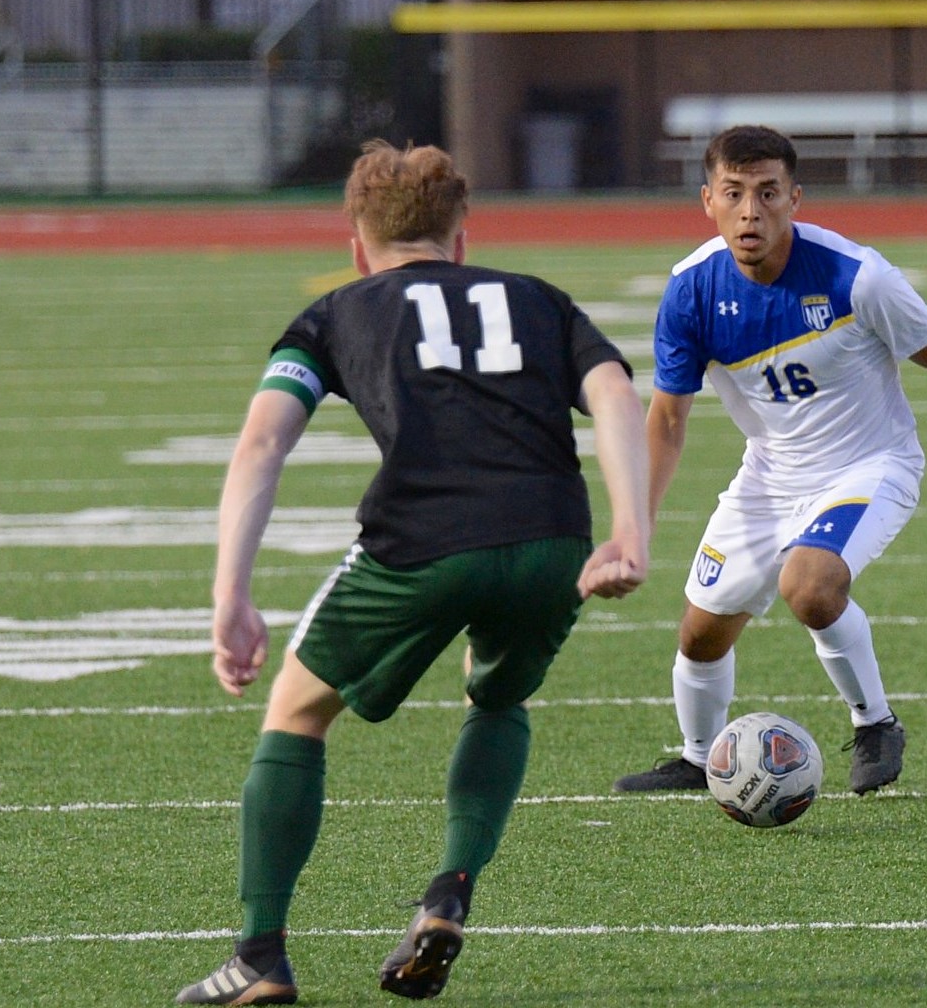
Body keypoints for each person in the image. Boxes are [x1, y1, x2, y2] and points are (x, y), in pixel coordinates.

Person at [177, 140, 649, 1005]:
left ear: (356, 247)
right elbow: (617, 392)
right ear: (460, 239)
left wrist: (229, 594)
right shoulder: (537, 299)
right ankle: (448, 892)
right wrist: (628, 532)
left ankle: (260, 956)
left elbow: (262, 443)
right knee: (497, 698)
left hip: (422, 537)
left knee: (297, 711)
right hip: (553, 537)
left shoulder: (334, 311)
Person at [613, 124, 927, 797]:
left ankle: (875, 723)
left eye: (767, 193)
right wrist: (639, 521)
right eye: (733, 193)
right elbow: (666, 418)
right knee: (700, 633)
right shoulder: (691, 290)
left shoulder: (857, 277)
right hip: (769, 475)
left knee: (808, 588)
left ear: (794, 199)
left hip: (871, 466)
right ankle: (699, 758)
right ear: (708, 201)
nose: (751, 211)